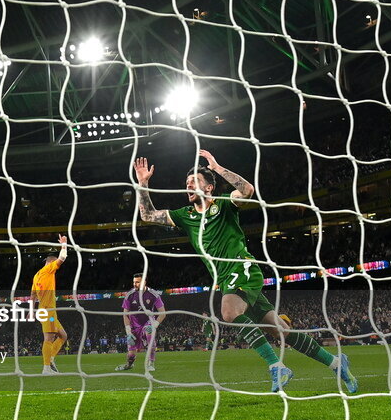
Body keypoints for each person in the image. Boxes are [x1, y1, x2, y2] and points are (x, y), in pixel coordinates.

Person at [133, 151, 358, 393]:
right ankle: (336, 363)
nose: (188, 185)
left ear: (208, 187)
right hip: (228, 278)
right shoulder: (185, 216)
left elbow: (248, 191)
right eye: (187, 183)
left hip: (242, 267)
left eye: (195, 181)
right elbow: (147, 215)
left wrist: (217, 168)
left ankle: (276, 366)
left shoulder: (224, 204)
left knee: (229, 312)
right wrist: (143, 184)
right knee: (281, 331)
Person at [32, 235, 68, 375]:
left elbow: (33, 295)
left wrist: (31, 310)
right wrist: (64, 244)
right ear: (51, 263)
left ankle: (50, 358)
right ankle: (46, 368)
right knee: (49, 338)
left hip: (47, 313)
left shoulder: (36, 275)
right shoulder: (48, 270)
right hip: (48, 312)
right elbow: (62, 258)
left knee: (63, 335)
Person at [116, 273, 166, 371]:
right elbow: (125, 314)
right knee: (131, 354)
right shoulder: (129, 295)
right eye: (134, 282)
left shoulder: (153, 294)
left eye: (137, 282)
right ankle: (129, 365)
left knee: (149, 333)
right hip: (134, 326)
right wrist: (128, 332)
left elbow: (163, 313)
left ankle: (151, 363)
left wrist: (154, 325)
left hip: (148, 322)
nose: (135, 284)